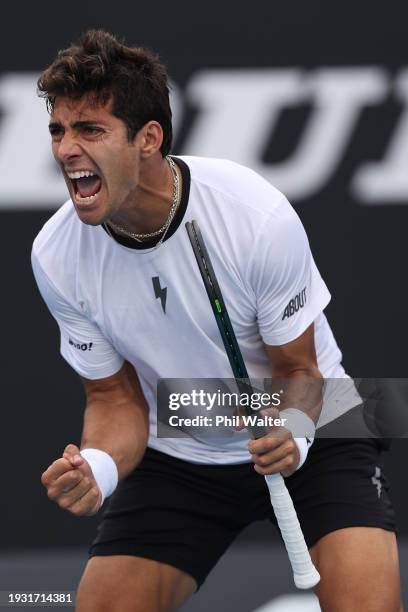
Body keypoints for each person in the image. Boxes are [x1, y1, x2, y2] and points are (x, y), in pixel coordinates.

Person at [32, 30, 402, 611]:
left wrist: (296, 436)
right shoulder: (56, 254)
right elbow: (114, 400)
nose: (65, 149)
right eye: (58, 130)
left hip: (315, 427)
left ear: (148, 138)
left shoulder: (252, 216)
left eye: (90, 130)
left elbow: (298, 369)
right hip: (183, 450)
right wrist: (98, 469)